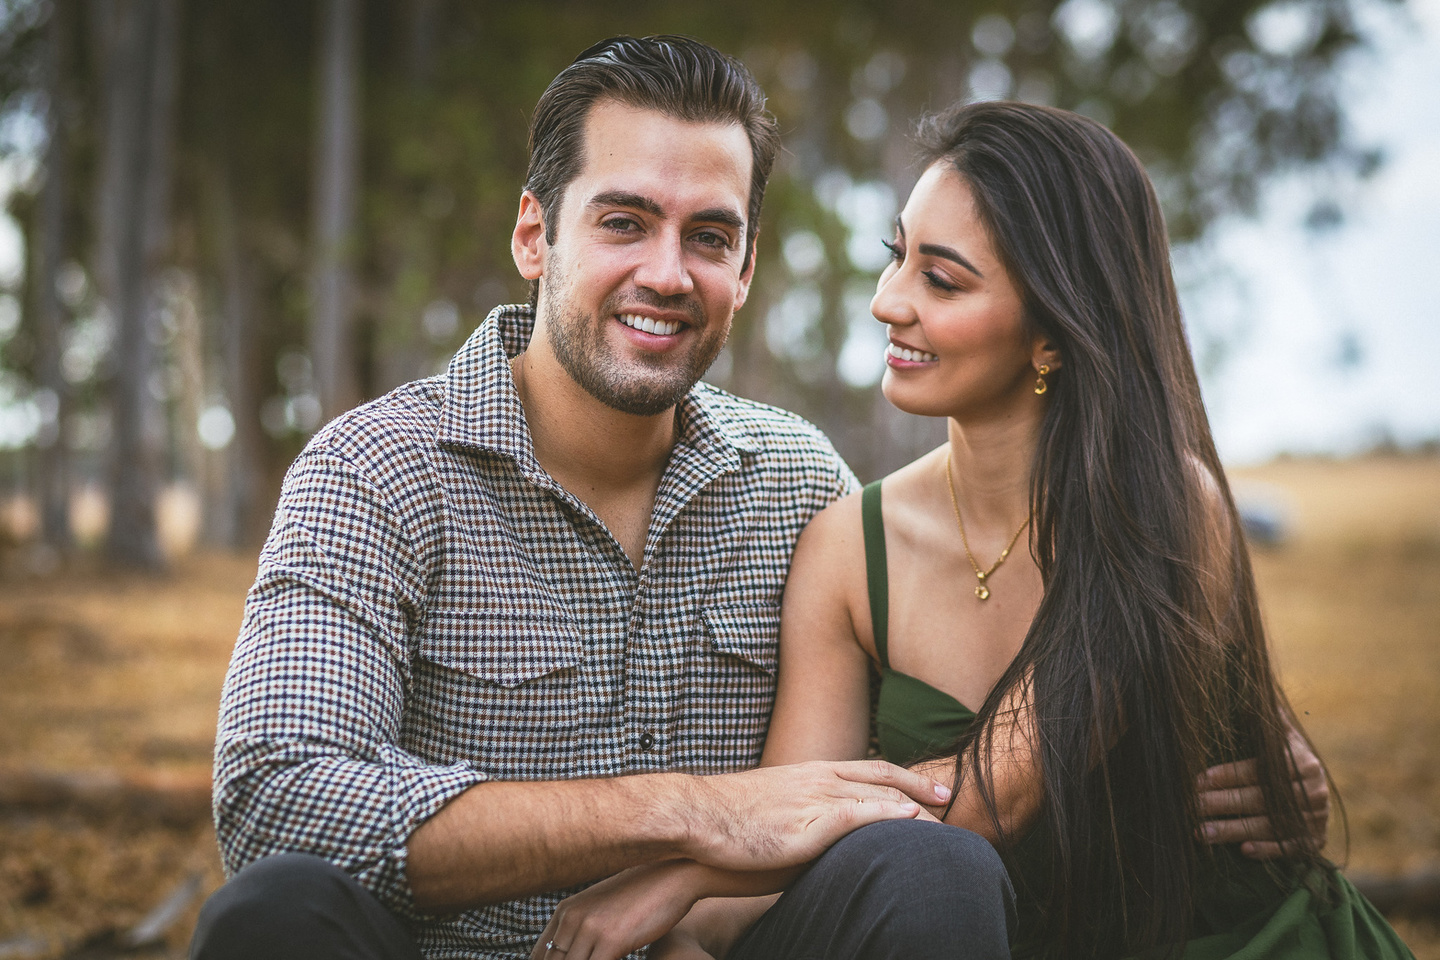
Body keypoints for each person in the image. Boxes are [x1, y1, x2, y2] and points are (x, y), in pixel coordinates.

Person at [190, 40, 1331, 960]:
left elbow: (943, 770)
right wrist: (690, 812)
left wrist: (1239, 732)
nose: (669, 273)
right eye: (624, 221)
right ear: (536, 235)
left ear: (746, 268)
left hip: (724, 947)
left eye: (711, 236)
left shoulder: (798, 485)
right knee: (273, 916)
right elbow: (276, 796)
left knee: (931, 873)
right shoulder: (373, 472)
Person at [534, 102, 1410, 960]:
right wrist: (683, 929)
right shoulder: (850, 546)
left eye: (941, 280)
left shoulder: (1162, 511)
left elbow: (992, 797)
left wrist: (688, 869)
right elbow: (776, 862)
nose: (887, 302)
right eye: (898, 256)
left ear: (1056, 335)